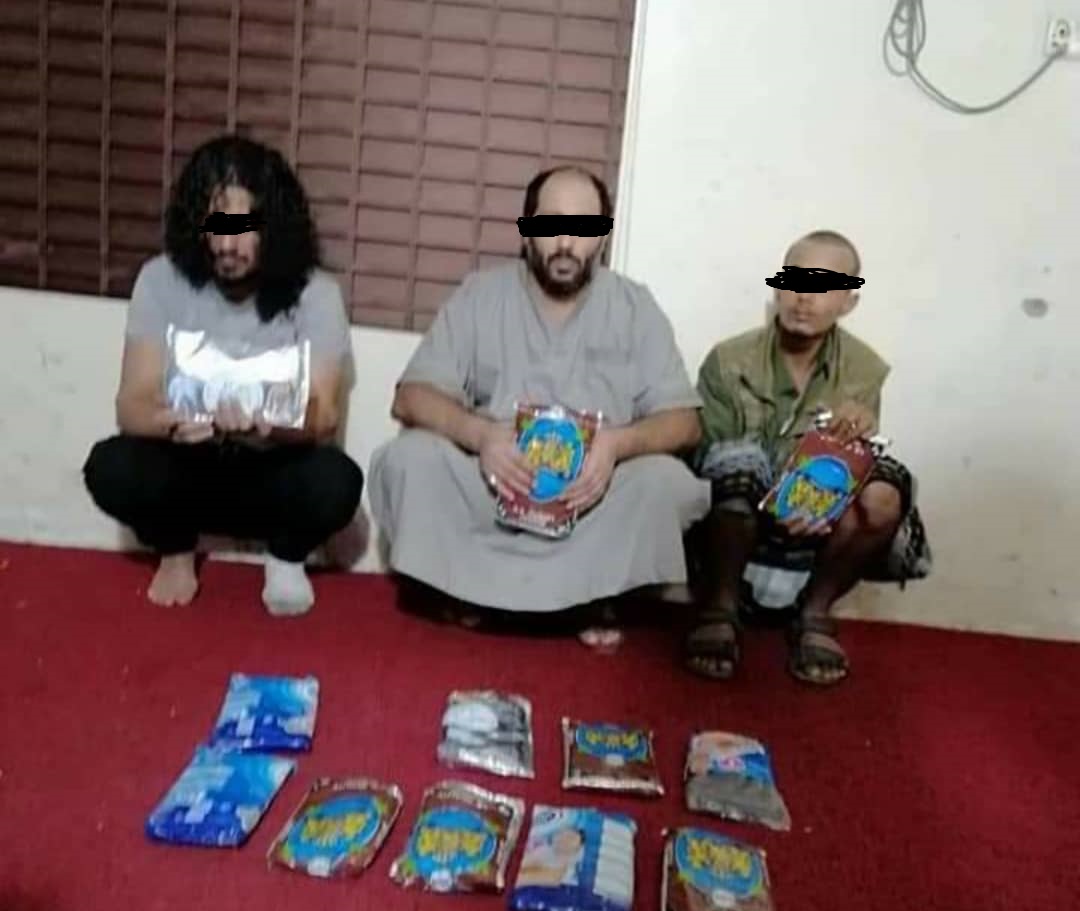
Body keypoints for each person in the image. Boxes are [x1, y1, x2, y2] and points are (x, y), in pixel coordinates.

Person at [368, 165, 709, 648]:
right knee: (409, 457)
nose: (566, 242)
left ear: (603, 236)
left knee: (666, 481)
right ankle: (514, 595)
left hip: (590, 498)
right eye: (551, 225)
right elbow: (411, 396)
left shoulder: (635, 306)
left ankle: (570, 595)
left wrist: (616, 445)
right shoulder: (481, 294)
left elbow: (685, 422)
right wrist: (482, 437)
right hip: (495, 484)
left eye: (583, 228)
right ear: (527, 231)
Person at [83, 135, 363, 616]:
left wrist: (266, 426)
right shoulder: (161, 279)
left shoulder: (316, 294)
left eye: (244, 228)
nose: (227, 245)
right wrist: (175, 422)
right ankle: (174, 550)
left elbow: (323, 416)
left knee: (337, 481)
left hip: (272, 472)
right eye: (216, 225)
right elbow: (132, 405)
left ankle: (286, 556)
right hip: (188, 471)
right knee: (110, 466)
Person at [685, 230, 931, 685]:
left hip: (816, 520)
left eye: (823, 285)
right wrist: (782, 495)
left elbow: (848, 466)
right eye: (794, 280)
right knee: (737, 460)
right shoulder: (728, 360)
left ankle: (815, 613)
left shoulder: (863, 369)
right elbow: (704, 457)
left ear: (848, 302)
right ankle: (720, 608)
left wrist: (826, 485)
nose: (804, 296)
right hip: (736, 515)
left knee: (883, 494)